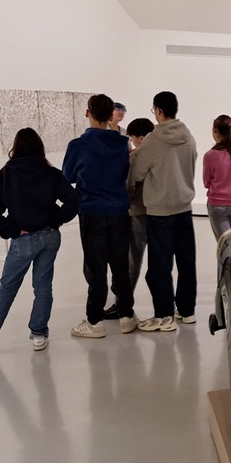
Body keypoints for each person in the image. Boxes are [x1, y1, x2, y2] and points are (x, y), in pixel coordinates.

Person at [0, 128, 80, 354]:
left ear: (16, 147)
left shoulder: (7, 174)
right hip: (50, 237)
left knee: (7, 290)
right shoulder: (50, 173)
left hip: (24, 240)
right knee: (43, 288)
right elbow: (73, 200)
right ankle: (39, 334)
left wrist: (12, 229)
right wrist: (55, 219)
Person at [62, 94, 137, 338]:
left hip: (91, 209)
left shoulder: (78, 145)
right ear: (111, 115)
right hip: (118, 210)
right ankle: (126, 316)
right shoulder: (122, 144)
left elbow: (67, 176)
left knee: (95, 267)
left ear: (88, 113)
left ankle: (95, 321)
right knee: (120, 264)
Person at [129, 91, 199, 331]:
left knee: (160, 265)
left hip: (159, 211)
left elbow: (137, 172)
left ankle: (164, 315)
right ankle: (187, 311)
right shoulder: (188, 136)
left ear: (158, 110)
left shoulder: (153, 140)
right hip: (184, 208)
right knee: (186, 262)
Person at [104, 117, 155, 320]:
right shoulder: (162, 154)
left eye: (132, 138)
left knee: (132, 259)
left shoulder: (136, 157)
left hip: (137, 212)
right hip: (158, 211)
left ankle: (122, 303)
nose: (131, 142)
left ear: (140, 138)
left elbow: (130, 185)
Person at [204, 114, 231, 241]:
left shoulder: (211, 155)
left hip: (218, 203)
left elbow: (206, 182)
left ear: (215, 130)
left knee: (224, 245)